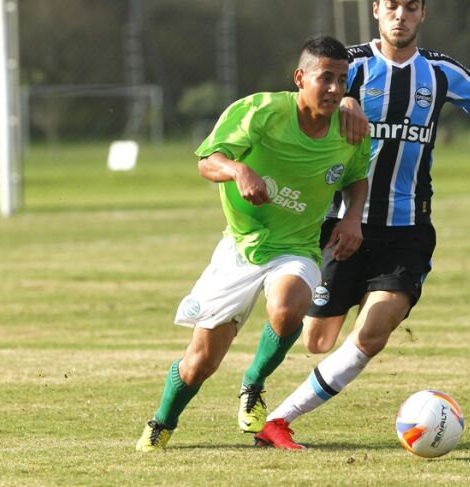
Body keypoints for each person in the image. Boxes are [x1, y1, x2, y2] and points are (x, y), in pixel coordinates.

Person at [252, 0, 470, 450]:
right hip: (342, 224)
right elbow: (304, 105)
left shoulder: (440, 71)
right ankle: (257, 377)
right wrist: (343, 100)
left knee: (372, 332)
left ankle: (278, 421)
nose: (401, 15)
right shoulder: (346, 65)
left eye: (411, 8)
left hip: (407, 229)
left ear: (422, 15)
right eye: (392, 6)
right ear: (376, 10)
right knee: (317, 339)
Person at [135, 34, 371, 452]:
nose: (335, 89)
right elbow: (208, 161)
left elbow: (356, 176)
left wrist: (353, 216)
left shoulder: (350, 128)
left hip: (296, 248)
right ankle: (162, 422)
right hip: (241, 248)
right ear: (301, 78)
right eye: (326, 78)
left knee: (287, 306)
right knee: (201, 363)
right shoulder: (261, 111)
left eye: (342, 80)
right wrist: (238, 170)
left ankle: (254, 383)